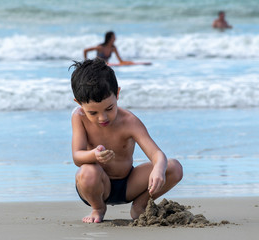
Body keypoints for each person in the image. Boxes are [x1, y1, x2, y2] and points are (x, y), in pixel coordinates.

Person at [70, 58, 183, 223]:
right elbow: (77, 156)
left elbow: (156, 153)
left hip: (128, 184)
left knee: (174, 167)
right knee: (87, 172)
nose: (102, 118)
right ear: (79, 104)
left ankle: (140, 204)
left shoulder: (129, 121)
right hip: (96, 186)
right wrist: (94, 155)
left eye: (109, 108)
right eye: (93, 113)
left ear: (117, 94)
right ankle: (98, 208)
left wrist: (158, 169)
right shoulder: (79, 117)